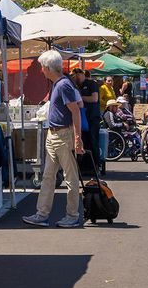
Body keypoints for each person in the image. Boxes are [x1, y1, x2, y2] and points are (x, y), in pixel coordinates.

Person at [23, 50, 84, 228]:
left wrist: (77, 138)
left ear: (48, 68)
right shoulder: (60, 84)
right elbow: (76, 108)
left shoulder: (63, 85)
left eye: (42, 67)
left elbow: (76, 111)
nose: (41, 70)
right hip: (55, 134)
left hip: (63, 135)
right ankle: (42, 214)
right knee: (49, 176)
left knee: (69, 177)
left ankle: (72, 216)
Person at [71, 68, 101, 174]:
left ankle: (96, 166)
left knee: (93, 141)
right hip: (82, 118)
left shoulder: (92, 84)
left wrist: (80, 98)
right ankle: (83, 167)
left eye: (76, 76)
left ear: (81, 74)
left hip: (92, 117)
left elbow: (94, 98)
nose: (75, 78)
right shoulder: (76, 86)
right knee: (83, 141)